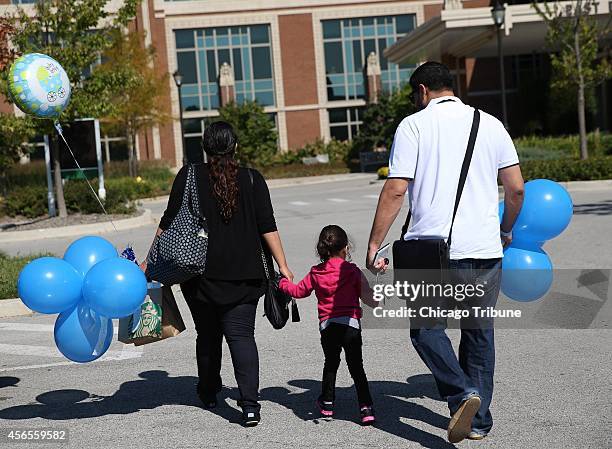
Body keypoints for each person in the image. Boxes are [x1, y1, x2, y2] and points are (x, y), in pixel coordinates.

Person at [366, 62, 525, 443]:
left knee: (426, 330)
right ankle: (480, 421)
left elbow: (396, 189)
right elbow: (516, 189)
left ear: (421, 90)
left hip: (431, 252)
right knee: (479, 333)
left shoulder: (414, 125)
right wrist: (505, 230)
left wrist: (374, 243)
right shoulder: (491, 124)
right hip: (486, 251)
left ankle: (461, 393)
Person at [142, 121, 293, 427]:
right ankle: (250, 405)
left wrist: (149, 261)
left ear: (204, 147)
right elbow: (267, 225)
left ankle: (209, 391)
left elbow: (169, 219)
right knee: (241, 337)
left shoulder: (188, 175)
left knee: (208, 335)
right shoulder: (252, 179)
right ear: (235, 147)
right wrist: (284, 267)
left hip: (199, 275)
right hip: (246, 275)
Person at [279, 225, 377, 425]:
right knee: (356, 366)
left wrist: (282, 284)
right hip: (350, 325)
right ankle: (366, 408)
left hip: (328, 326)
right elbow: (370, 299)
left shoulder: (316, 272)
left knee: (331, 363)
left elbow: (299, 291)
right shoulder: (352, 271)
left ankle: (327, 404)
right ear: (346, 248)